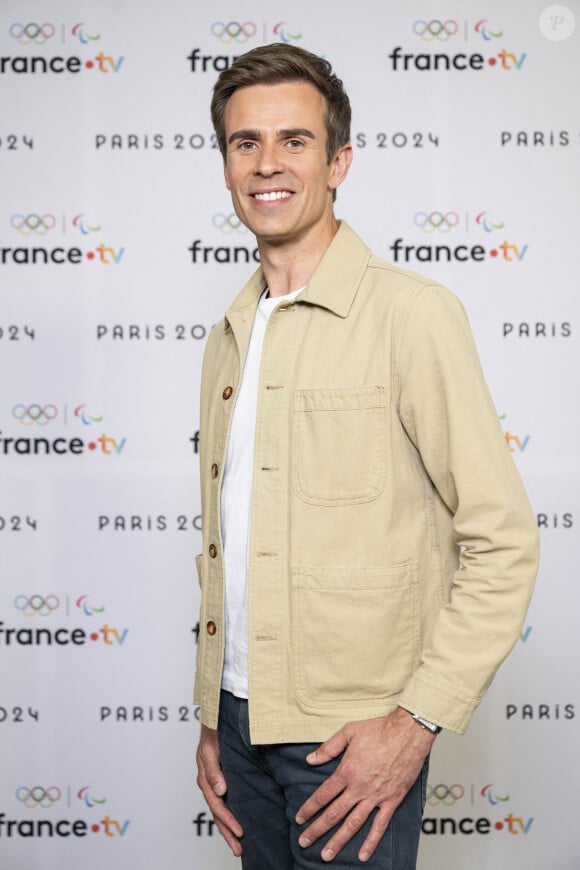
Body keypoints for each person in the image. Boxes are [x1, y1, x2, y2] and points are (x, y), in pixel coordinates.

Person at [193, 42, 538, 869]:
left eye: (295, 140)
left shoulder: (411, 315)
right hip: (240, 727)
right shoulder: (227, 336)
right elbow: (232, 541)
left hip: (348, 741)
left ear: (339, 160)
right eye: (246, 143)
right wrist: (213, 715)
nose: (267, 164)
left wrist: (415, 723)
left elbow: (504, 541)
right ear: (225, 163)